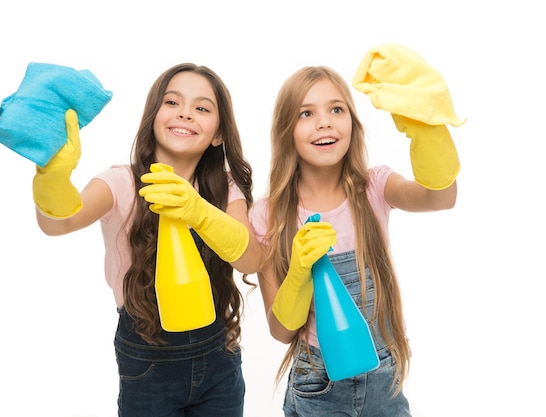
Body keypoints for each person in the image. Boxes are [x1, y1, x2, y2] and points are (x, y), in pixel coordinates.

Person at [32, 63, 262, 416]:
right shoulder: (121, 183)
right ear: (153, 116)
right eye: (172, 102)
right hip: (147, 358)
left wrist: (198, 210)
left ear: (218, 134)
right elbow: (58, 223)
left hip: (219, 356)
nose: (185, 113)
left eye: (202, 108)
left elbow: (250, 259)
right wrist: (52, 178)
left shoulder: (224, 186)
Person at [249, 47, 462, 416]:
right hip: (317, 383)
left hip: (384, 376)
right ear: (286, 130)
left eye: (336, 109)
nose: (325, 122)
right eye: (306, 113)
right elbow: (281, 332)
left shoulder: (373, 187)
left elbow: (440, 197)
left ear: (352, 121)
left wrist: (428, 128)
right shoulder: (269, 215)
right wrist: (300, 272)